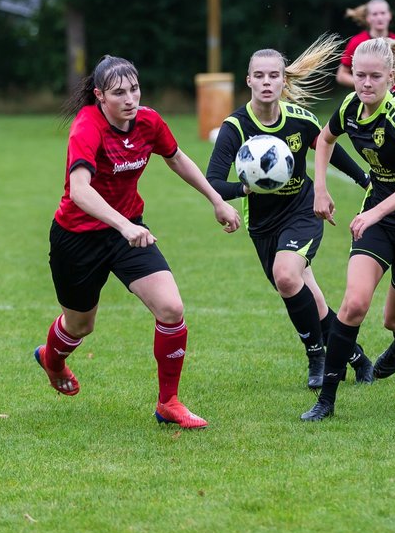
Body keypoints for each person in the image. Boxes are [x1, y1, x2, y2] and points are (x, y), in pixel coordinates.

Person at [33, 55, 242, 430]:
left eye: (134, 89)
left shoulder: (148, 121)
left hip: (128, 230)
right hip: (77, 238)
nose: (130, 98)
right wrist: (123, 226)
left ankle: (169, 403)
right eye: (119, 92)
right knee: (80, 326)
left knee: (171, 308)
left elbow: (177, 159)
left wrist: (217, 200)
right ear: (99, 95)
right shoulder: (87, 127)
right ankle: (53, 359)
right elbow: (80, 191)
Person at [205, 36, 375, 390]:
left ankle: (317, 356)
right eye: (259, 76)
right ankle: (357, 358)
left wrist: (366, 182)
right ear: (248, 80)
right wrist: (243, 190)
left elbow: (332, 149)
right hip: (263, 223)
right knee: (305, 295)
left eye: (274, 76)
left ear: (284, 81)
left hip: (303, 209)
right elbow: (214, 182)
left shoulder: (300, 120)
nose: (267, 82)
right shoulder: (235, 128)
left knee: (286, 275)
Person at [302, 37, 395, 421]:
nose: (364, 84)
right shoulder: (351, 105)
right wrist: (321, 187)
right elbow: (324, 140)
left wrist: (375, 211)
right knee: (354, 303)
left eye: (374, 77)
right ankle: (326, 402)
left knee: (393, 320)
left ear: (391, 77)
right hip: (379, 223)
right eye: (358, 75)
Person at [336, 0, 395, 91]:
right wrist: (365, 83)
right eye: (375, 14)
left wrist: (387, 81)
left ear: (389, 15)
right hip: (366, 99)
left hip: (394, 99)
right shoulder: (357, 42)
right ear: (368, 18)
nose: (379, 17)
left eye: (383, 13)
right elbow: (341, 76)